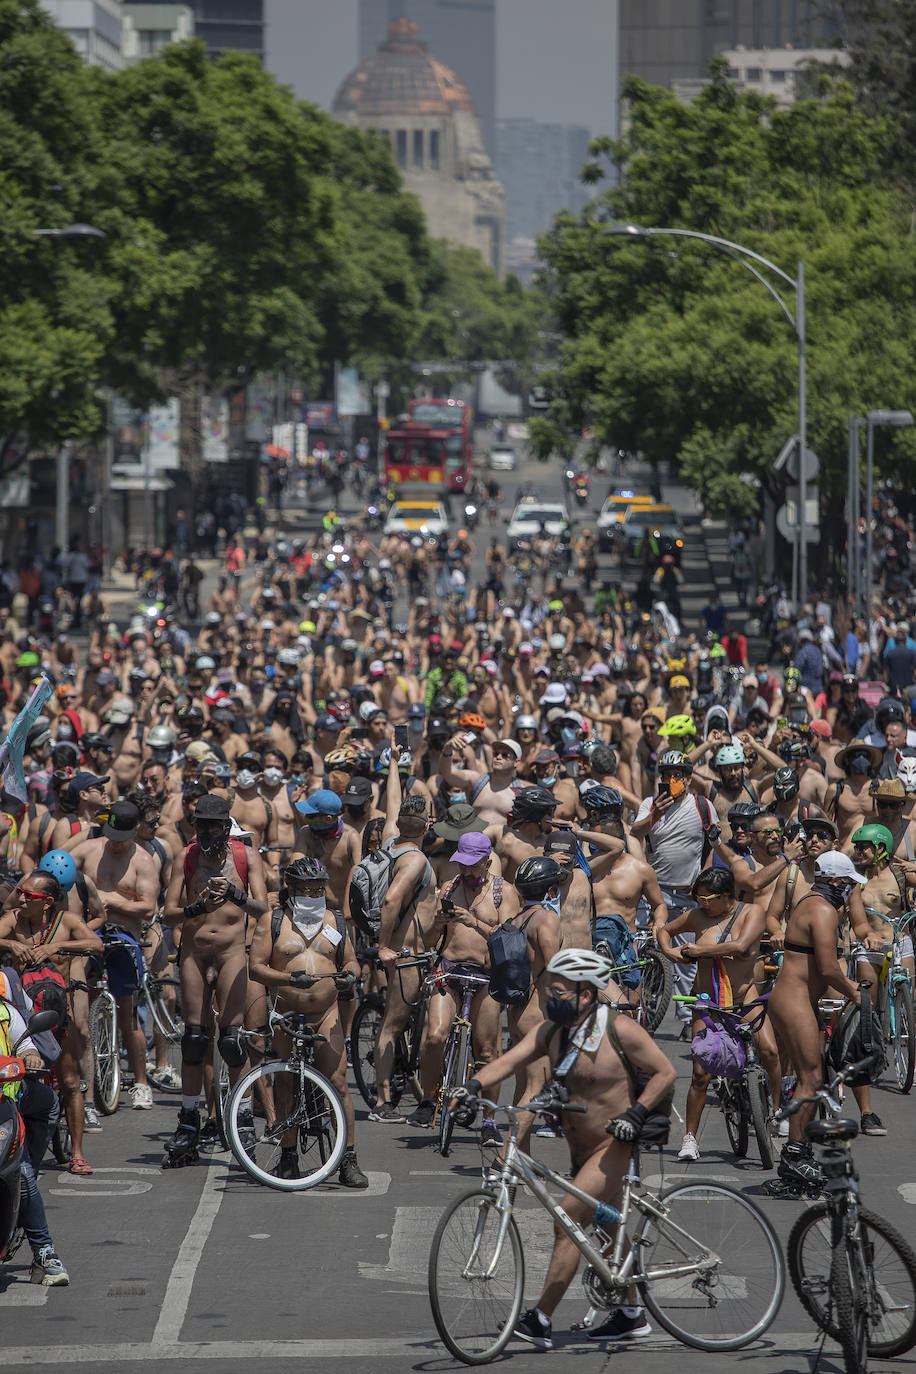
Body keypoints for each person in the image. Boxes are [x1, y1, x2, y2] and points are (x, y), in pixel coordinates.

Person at [450, 947, 676, 1349]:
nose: (549, 999)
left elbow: (665, 1071)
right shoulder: (552, 1033)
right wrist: (471, 1087)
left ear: (585, 995)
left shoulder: (618, 1030)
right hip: (580, 1151)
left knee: (568, 1221)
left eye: (558, 991)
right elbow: (507, 1062)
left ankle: (540, 1318)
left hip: (614, 1145)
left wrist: (637, 1115)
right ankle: (630, 1313)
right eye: (548, 990)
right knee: (607, 1228)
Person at [247, 857, 367, 1187]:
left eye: (318, 889)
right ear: (291, 889)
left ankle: (348, 1159)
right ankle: (288, 1156)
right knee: (285, 1083)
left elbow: (352, 961)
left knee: (339, 1083)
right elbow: (255, 967)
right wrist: (287, 977)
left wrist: (350, 977)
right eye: (306, 890)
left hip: (326, 1013)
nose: (313, 895)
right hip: (287, 1013)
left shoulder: (335, 920)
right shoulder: (272, 921)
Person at [163, 795, 267, 1165]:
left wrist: (234, 895)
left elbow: (262, 906)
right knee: (193, 1039)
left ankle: (241, 1119)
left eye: (212, 826)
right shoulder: (185, 857)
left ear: (226, 827)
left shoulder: (245, 856)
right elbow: (168, 913)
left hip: (230, 953)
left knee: (232, 1040)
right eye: (200, 826)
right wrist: (199, 907)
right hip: (193, 951)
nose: (205, 833)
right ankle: (189, 1120)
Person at [658, 866, 778, 1162]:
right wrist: (670, 953)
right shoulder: (698, 916)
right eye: (698, 898)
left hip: (743, 996)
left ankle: (777, 1110)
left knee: (770, 1051)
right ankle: (689, 1138)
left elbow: (740, 946)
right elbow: (665, 930)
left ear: (726, 896)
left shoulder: (752, 912)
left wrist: (698, 951)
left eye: (708, 898)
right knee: (700, 1073)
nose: (702, 904)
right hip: (708, 1000)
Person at [408, 831, 517, 1145]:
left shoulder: (503, 892)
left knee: (486, 1050)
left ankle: (489, 1119)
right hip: (450, 969)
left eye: (472, 865)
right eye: (462, 865)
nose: (466, 871)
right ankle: (429, 1100)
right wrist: (439, 924)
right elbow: (430, 941)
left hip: (486, 977)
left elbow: (507, 937)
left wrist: (474, 923)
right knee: (434, 1035)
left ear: (487, 861)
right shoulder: (449, 887)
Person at [766, 852, 867, 1189]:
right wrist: (854, 991)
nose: (851, 890)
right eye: (849, 883)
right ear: (836, 881)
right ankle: (794, 1157)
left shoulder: (812, 902)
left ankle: (799, 1151)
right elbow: (827, 968)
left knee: (813, 1078)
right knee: (811, 1078)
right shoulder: (822, 909)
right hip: (793, 1001)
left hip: (796, 999)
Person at [630, 750, 718, 1038]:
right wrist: (655, 813)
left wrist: (702, 881)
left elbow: (711, 844)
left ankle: (685, 1019)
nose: (670, 780)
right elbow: (636, 831)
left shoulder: (703, 806)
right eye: (666, 775)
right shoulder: (649, 804)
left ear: (688, 779)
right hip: (651, 894)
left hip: (686, 895)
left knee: (687, 958)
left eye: (676, 776)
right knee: (643, 952)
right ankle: (640, 1012)